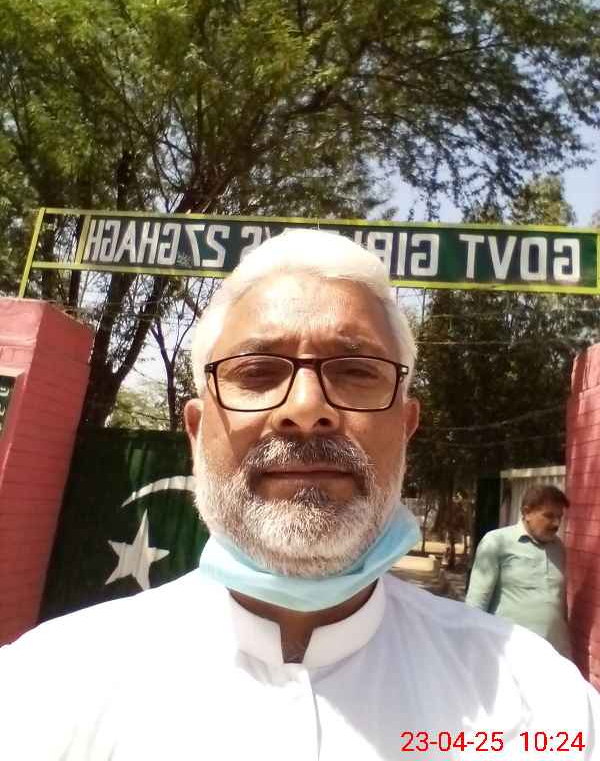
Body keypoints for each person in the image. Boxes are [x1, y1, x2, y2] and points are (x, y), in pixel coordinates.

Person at [0, 230, 598, 760]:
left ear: (405, 428)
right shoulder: (48, 685)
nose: (307, 408)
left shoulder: (534, 699)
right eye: (257, 372)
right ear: (197, 432)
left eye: (356, 371)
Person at [466, 484, 571, 657]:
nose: (556, 524)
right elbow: (475, 605)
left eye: (559, 517)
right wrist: (473, 652)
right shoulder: (497, 542)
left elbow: (560, 604)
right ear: (527, 512)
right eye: (549, 516)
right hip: (509, 652)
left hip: (553, 654)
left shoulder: (558, 548)